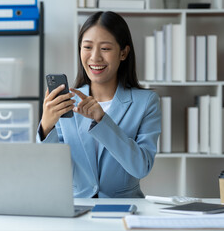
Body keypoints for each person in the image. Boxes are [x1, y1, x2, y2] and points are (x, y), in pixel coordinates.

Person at [36, 11, 161, 198]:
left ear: (123, 53)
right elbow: (51, 171)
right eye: (87, 47)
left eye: (105, 49)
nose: (95, 57)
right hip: (76, 209)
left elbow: (141, 167)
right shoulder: (66, 102)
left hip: (122, 209)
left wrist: (102, 120)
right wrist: (46, 127)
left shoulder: (146, 102)